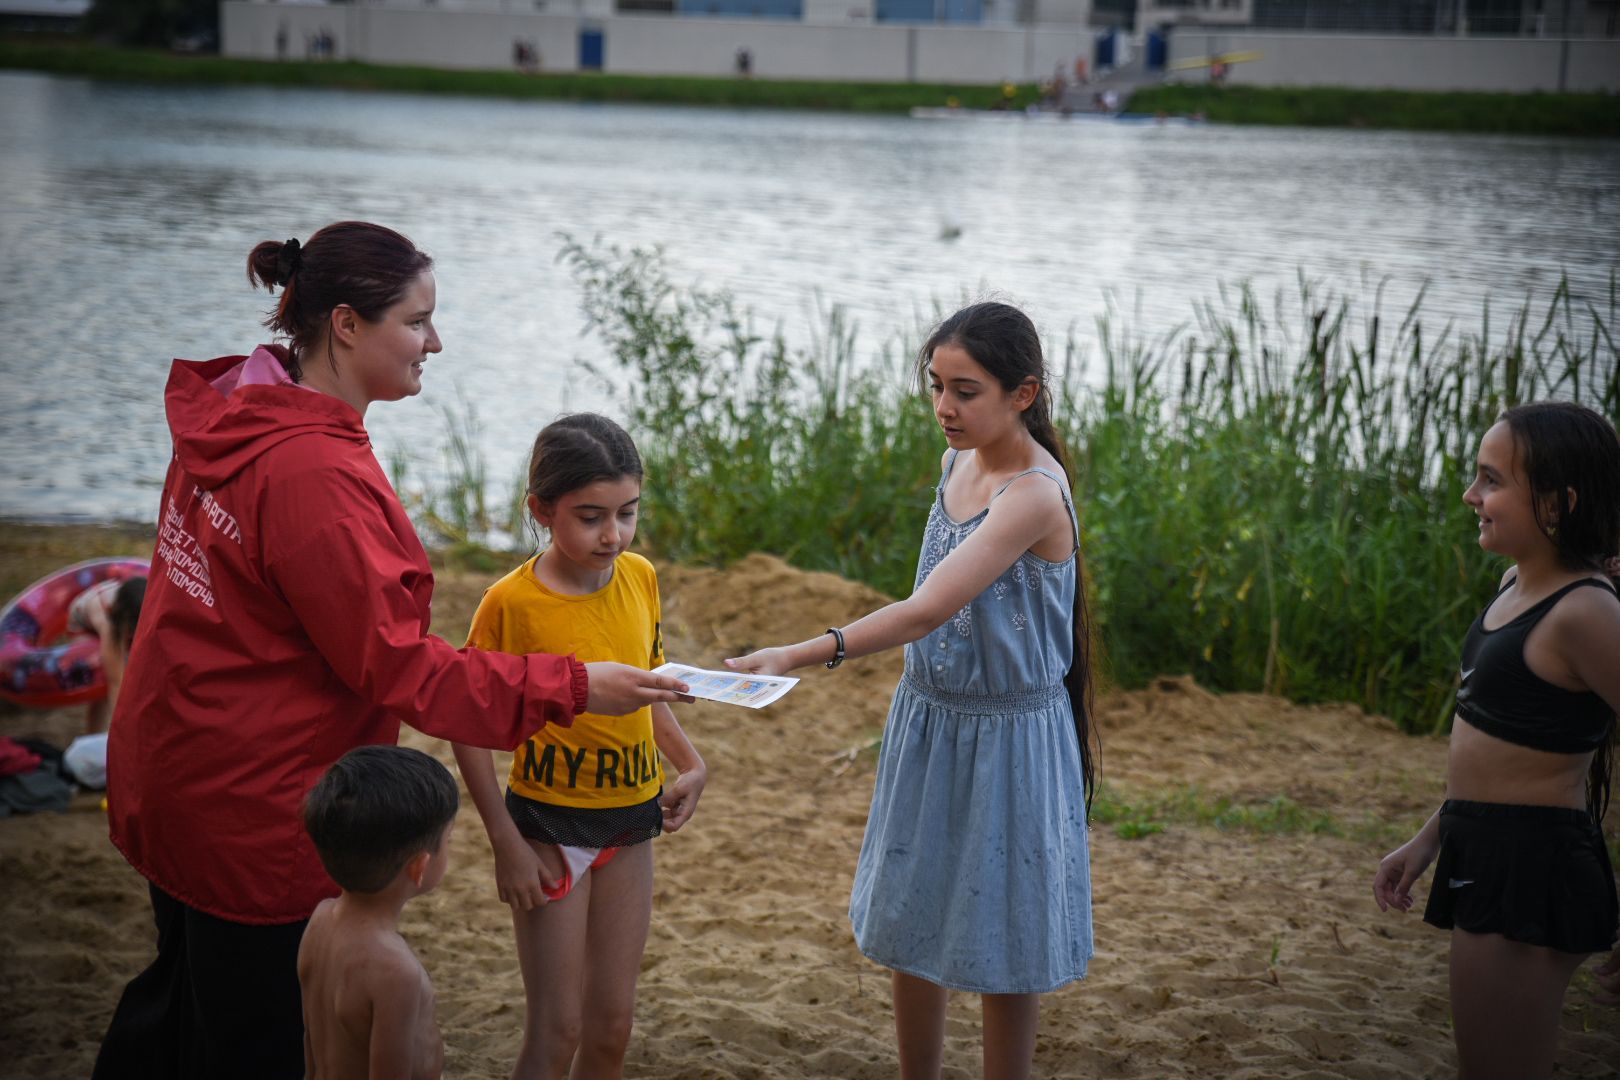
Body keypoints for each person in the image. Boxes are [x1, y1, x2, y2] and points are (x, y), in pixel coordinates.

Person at [94, 222, 688, 1080]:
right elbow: (402, 668)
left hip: (175, 764)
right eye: (416, 322)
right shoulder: (309, 475)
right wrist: (571, 685)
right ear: (345, 324)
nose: (434, 342)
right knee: (246, 1038)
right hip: (252, 801)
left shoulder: (239, 409)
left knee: (181, 1006)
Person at [727, 302, 1096, 1080]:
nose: (943, 408)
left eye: (965, 391)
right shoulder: (954, 463)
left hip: (1007, 733)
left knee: (1006, 929)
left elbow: (928, 607)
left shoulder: (1033, 493)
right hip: (930, 718)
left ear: (1023, 393)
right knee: (914, 910)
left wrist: (799, 652)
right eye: (935, 386)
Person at [453, 413, 706, 1079]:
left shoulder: (640, 578)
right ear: (540, 508)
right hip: (546, 827)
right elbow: (466, 723)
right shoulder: (511, 604)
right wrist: (504, 842)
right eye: (590, 516)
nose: (613, 535)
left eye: (627, 513)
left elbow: (646, 693)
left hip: (632, 824)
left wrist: (690, 763)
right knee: (556, 1029)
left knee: (611, 1027)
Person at [1373, 402, 1620, 1079]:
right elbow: (1495, 750)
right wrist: (1430, 839)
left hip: (1534, 865)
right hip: (1485, 846)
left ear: (1557, 503)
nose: (1470, 495)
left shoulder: (1586, 611)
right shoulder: (1514, 585)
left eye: (1491, 480)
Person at [298, 745, 458, 1080]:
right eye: (449, 840)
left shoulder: (320, 921)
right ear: (420, 867)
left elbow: (311, 1042)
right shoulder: (396, 972)